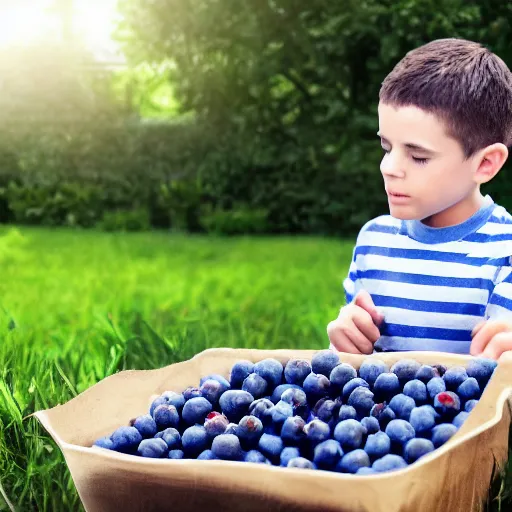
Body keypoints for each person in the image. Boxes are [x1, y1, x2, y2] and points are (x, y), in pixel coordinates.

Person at [327, 38, 512, 361]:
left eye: (418, 157)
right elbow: (357, 374)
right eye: (386, 148)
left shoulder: (504, 250)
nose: (389, 168)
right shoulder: (374, 240)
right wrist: (346, 341)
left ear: (485, 164)